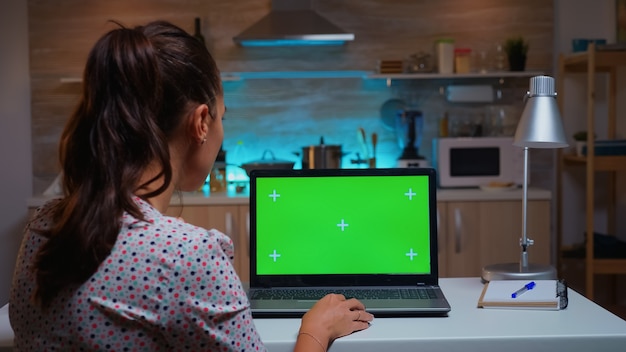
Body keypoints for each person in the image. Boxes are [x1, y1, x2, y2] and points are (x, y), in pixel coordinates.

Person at [9, 20, 373, 351]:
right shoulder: (187, 255)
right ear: (201, 122)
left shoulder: (42, 229)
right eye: (222, 117)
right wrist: (315, 330)